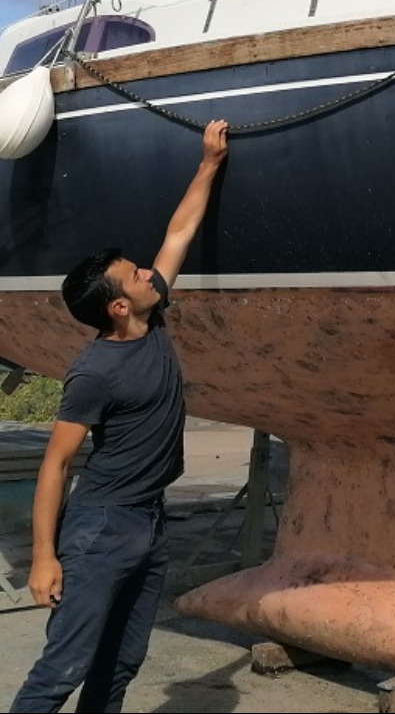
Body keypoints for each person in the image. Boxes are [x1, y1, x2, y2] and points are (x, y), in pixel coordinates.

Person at [10, 120, 229, 714]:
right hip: (100, 529)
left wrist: (208, 164)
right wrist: (44, 556)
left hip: (150, 521)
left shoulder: (150, 318)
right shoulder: (94, 372)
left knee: (122, 662)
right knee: (64, 668)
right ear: (118, 306)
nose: (148, 273)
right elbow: (55, 465)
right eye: (135, 275)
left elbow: (178, 234)